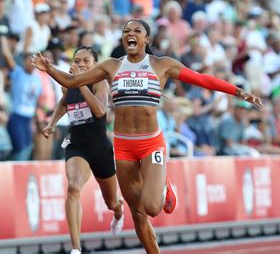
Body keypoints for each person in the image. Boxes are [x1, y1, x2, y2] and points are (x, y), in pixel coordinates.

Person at [33, 19, 262, 254]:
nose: (130, 34)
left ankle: (163, 185)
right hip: (123, 147)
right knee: (139, 215)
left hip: (150, 144)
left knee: (152, 207)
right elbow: (71, 81)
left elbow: (202, 79)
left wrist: (237, 91)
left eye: (136, 31)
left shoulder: (162, 65)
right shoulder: (110, 66)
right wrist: (48, 68)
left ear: (147, 40)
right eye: (126, 31)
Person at [41, 46, 124, 254]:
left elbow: (99, 110)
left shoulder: (100, 82)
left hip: (101, 149)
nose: (81, 65)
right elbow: (63, 102)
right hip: (77, 146)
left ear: (95, 65)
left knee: (111, 201)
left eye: (86, 61)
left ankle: (118, 211)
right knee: (73, 187)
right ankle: (76, 248)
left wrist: (82, 83)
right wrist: (52, 123)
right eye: (77, 61)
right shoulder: (67, 84)